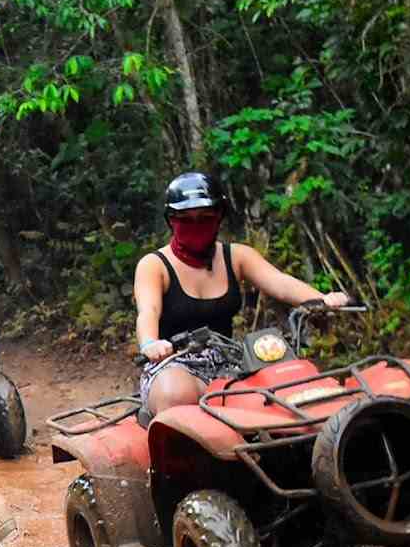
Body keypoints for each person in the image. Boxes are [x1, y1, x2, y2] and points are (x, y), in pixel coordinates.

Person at [135, 171, 349, 424]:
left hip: (231, 361)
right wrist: (150, 344)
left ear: (219, 216)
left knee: (287, 383)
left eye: (205, 218)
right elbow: (148, 311)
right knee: (176, 393)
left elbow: (280, 283)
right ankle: (169, 449)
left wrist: (322, 300)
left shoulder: (235, 256)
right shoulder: (154, 265)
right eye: (185, 219)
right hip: (173, 365)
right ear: (171, 220)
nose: (196, 225)